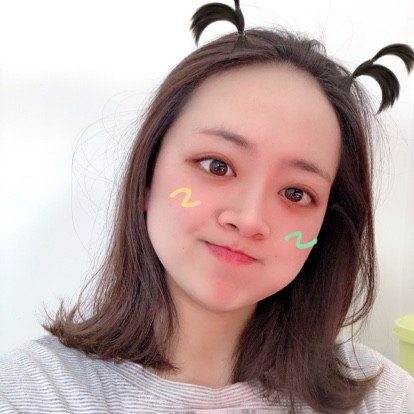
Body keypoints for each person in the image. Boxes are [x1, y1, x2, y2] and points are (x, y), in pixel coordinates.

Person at [1, 1, 414, 413]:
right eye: (217, 166)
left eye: (295, 193)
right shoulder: (31, 393)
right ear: (147, 177)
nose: (249, 219)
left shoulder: (383, 397)